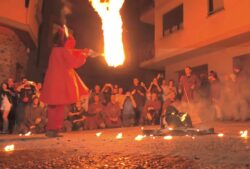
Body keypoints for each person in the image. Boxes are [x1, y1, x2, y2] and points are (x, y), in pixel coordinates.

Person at [40, 26, 93, 137]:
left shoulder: (55, 50)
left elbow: (71, 52)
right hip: (60, 84)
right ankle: (53, 129)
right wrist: (84, 55)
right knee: (58, 108)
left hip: (54, 83)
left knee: (55, 107)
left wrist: (82, 52)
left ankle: (52, 129)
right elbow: (74, 62)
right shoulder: (62, 51)